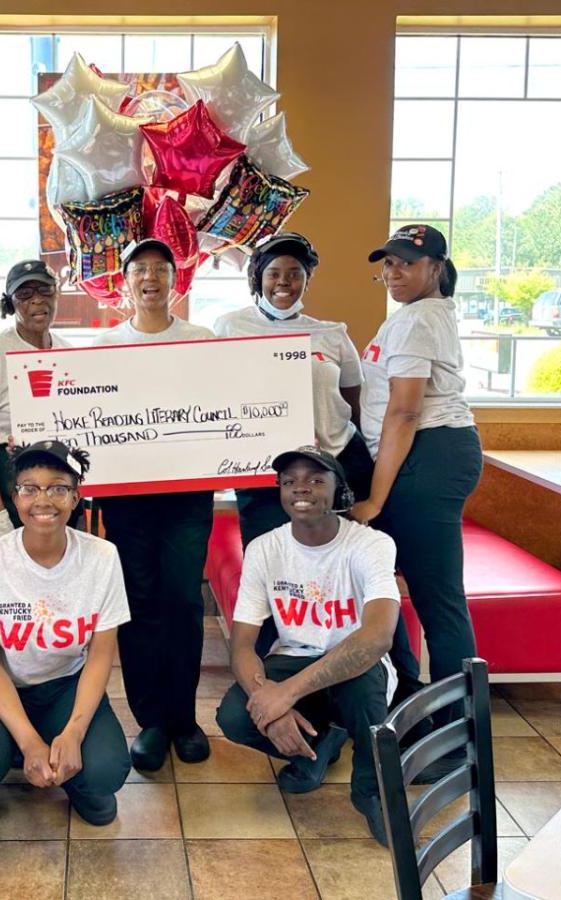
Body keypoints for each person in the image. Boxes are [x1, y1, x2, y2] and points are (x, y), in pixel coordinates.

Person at [0, 441, 131, 839]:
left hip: (66, 686)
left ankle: (77, 776)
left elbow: (99, 657)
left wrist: (75, 731)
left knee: (106, 770)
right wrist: (28, 742)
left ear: (76, 497)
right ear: (15, 497)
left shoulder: (103, 557)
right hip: (5, 686)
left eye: (58, 488)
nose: (44, 500)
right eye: (30, 488)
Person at [215, 446, 400, 846]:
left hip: (355, 663)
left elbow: (377, 636)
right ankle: (317, 746)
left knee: (365, 691)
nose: (302, 489)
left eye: (316, 480)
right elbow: (243, 644)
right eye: (290, 481)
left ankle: (371, 791)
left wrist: (286, 695)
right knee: (234, 715)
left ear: (338, 490)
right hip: (294, 658)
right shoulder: (264, 548)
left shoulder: (372, 545)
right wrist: (269, 702)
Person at [353, 224, 482, 775]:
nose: (394, 273)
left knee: (438, 600)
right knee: (419, 592)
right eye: (388, 264)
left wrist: (374, 500)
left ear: (435, 267)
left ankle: (457, 741)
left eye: (406, 263)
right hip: (427, 455)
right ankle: (426, 712)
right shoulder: (417, 315)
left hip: (426, 455)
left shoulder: (422, 317)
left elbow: (404, 411)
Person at [91, 239, 216, 771]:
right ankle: (151, 722)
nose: (150, 279)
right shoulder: (103, 348)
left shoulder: (203, 341)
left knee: (183, 601)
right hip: (128, 498)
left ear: (175, 280)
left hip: (189, 494)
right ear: (125, 283)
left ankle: (185, 718)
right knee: (138, 603)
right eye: (139, 270)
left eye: (160, 270)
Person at [213, 233, 372, 549]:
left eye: (294, 274)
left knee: (337, 558)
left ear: (307, 280)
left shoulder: (333, 334)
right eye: (273, 274)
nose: (283, 282)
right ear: (258, 279)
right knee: (268, 558)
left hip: (335, 462)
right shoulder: (229, 327)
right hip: (262, 467)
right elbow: (216, 392)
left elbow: (356, 405)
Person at [0, 260, 80, 547]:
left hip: (58, 478)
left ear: (56, 294)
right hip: (4, 481)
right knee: (6, 586)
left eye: (44, 290)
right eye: (24, 294)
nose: (37, 299)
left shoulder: (69, 352)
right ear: (11, 303)